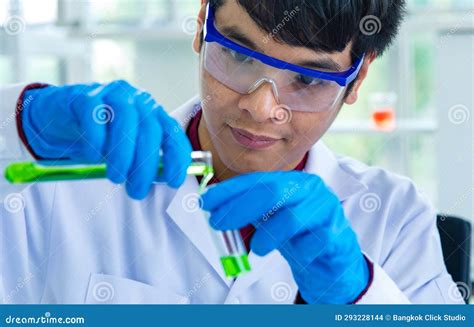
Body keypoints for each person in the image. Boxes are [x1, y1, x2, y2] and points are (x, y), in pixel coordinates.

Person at [0, 0, 463, 304]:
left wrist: (360, 296)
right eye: (240, 57)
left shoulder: (394, 218)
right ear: (203, 24)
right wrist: (20, 118)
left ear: (358, 79)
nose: (262, 108)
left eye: (308, 80)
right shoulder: (61, 180)